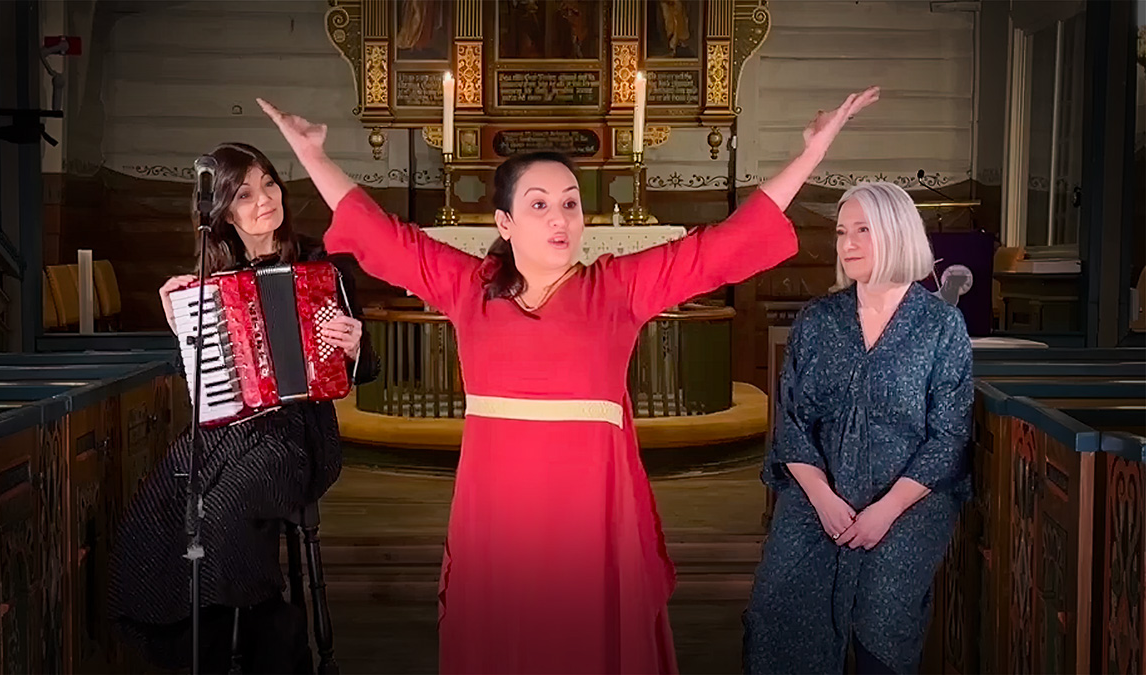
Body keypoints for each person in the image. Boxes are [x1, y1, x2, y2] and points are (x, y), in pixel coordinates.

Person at [258, 86, 879, 674]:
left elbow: (722, 247)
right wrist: (312, 154)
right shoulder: (469, 287)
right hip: (496, 507)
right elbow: (379, 235)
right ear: (504, 222)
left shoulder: (618, 287)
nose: (559, 218)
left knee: (589, 637)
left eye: (570, 203)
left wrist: (812, 152)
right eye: (539, 204)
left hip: (592, 508)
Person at [108, 142, 380, 674]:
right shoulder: (210, 280)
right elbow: (200, 379)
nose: (265, 200)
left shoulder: (322, 265)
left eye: (269, 184)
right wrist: (181, 324)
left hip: (297, 436)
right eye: (246, 194)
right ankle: (198, 646)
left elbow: (366, 369)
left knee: (224, 507)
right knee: (160, 503)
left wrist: (354, 348)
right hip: (227, 433)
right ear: (224, 213)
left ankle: (261, 637)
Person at [743, 182, 974, 674]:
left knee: (882, 614)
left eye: (862, 230)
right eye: (841, 232)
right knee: (779, 605)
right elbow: (793, 423)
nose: (846, 244)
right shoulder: (818, 320)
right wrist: (823, 499)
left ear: (896, 233)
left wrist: (884, 511)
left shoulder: (940, 326)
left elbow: (948, 438)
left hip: (907, 501)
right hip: (819, 494)